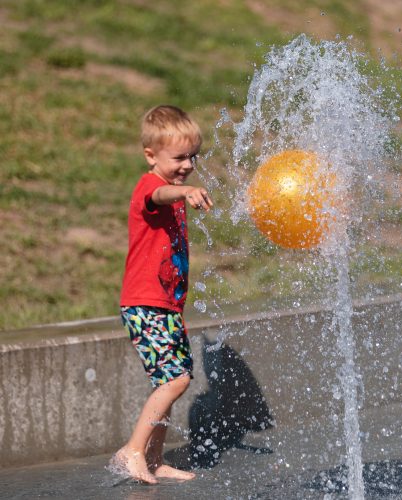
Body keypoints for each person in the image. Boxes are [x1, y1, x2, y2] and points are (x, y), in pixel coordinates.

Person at [111, 105, 213, 484]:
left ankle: (153, 459)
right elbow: (159, 195)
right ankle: (132, 451)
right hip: (144, 304)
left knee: (173, 378)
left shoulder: (171, 190)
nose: (187, 164)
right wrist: (183, 190)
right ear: (151, 155)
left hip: (165, 306)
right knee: (175, 380)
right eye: (179, 157)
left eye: (192, 156)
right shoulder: (150, 187)